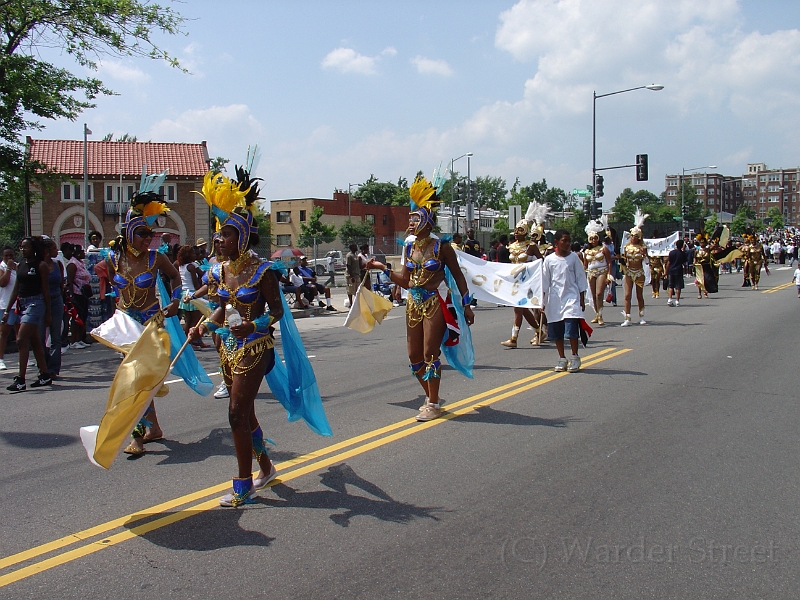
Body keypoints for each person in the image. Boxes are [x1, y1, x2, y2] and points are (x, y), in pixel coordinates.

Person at [190, 158, 332, 507]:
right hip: (228, 346)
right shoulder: (219, 271)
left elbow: (278, 312)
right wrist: (204, 325)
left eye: (226, 233)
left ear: (243, 234)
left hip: (256, 347)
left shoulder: (263, 270)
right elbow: (222, 307)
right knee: (246, 414)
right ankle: (265, 467)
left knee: (236, 412)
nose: (219, 239)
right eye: (218, 232)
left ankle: (243, 484)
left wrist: (254, 325)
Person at [367, 172, 475, 422]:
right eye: (410, 218)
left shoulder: (442, 247)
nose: (411, 222)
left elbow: (458, 277)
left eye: (415, 218)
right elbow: (405, 280)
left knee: (429, 354)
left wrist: (466, 306)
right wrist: (382, 268)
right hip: (412, 305)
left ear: (428, 219)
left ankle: (434, 403)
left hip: (433, 304)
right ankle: (431, 398)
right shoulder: (409, 246)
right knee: (414, 357)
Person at [103, 175, 182, 455]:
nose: (149, 239)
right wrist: (117, 299)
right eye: (143, 234)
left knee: (139, 379)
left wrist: (175, 301)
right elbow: (111, 283)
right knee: (134, 378)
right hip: (125, 325)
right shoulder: (114, 258)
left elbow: (175, 278)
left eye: (151, 235)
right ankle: (148, 430)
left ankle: (142, 434)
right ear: (128, 234)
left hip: (150, 324)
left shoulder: (156, 258)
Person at [2, 237, 52, 391]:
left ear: (33, 249)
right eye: (21, 247)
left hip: (35, 303)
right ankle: (44, 374)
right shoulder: (21, 265)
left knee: (21, 339)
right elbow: (16, 288)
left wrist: (48, 313)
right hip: (21, 303)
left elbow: (45, 290)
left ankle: (21, 380)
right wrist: (6, 310)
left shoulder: (41, 266)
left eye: (26, 247)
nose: (23, 250)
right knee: (35, 340)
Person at [500, 203, 546, 348]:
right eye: (515, 230)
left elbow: (541, 262)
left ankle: (514, 338)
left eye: (520, 230)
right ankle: (539, 331)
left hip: (527, 282)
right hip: (514, 281)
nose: (516, 232)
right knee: (523, 309)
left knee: (518, 309)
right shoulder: (511, 246)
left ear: (525, 232)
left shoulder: (531, 246)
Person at [541, 230, 587, 373]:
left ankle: (574, 357)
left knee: (571, 330)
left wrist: (581, 298)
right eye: (564, 241)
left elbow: (580, 278)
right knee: (557, 332)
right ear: (556, 242)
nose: (567, 244)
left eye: (568, 241)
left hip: (571, 298)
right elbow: (545, 282)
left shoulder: (573, 258)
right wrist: (541, 301)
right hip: (555, 300)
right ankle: (562, 358)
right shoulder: (549, 260)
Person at [40, 237, 65, 379]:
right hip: (42, 301)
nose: (57, 251)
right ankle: (43, 366)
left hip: (56, 300)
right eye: (55, 248)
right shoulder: (40, 265)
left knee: (56, 336)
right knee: (40, 336)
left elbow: (61, 283)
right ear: (47, 251)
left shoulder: (57, 264)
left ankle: (53, 369)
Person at [620, 210, 650, 326]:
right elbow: (624, 261)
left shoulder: (643, 247)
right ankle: (627, 318)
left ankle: (642, 316)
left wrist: (644, 254)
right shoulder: (626, 247)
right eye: (632, 236)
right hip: (628, 272)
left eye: (635, 236)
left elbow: (647, 262)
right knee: (627, 295)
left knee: (639, 295)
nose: (633, 238)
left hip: (639, 272)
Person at [582, 218, 612, 326]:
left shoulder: (604, 249)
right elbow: (585, 265)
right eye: (591, 238)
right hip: (591, 273)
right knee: (593, 295)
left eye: (595, 238)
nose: (594, 240)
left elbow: (609, 262)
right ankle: (597, 314)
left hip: (602, 271)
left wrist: (609, 275)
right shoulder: (586, 251)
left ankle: (600, 315)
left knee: (599, 294)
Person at [66, 245, 92, 348]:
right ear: (77, 253)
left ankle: (80, 338)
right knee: (76, 317)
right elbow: (70, 281)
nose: (84, 253)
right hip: (76, 294)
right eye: (82, 251)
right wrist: (71, 296)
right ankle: (73, 341)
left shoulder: (80, 263)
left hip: (83, 294)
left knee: (83, 316)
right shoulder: (72, 264)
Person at [0, 246, 19, 371]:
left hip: (18, 304)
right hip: (5, 304)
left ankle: (23, 358)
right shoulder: (1, 267)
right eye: (6, 256)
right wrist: (8, 268)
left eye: (11, 255)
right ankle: (1, 359)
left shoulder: (17, 267)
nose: (9, 258)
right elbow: (3, 283)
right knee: (3, 333)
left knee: (21, 333)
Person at [664, 238, 687, 307]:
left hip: (671, 270)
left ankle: (670, 299)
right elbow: (684, 264)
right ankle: (677, 301)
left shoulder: (671, 253)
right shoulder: (683, 254)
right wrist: (685, 271)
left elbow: (668, 263)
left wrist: (666, 271)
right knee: (678, 287)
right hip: (679, 270)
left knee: (671, 286)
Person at [345, 242, 360, 306]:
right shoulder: (349, 256)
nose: (356, 247)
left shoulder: (356, 255)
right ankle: (351, 303)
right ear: (352, 248)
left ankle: (356, 303)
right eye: (355, 246)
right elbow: (348, 266)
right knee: (350, 289)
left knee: (357, 290)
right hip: (351, 275)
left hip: (357, 275)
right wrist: (351, 277)